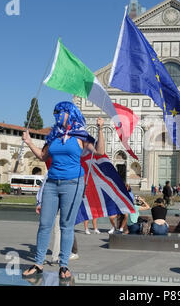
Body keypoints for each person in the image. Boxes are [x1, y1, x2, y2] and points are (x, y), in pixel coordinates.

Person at [22, 101, 105, 280]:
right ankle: (38, 263)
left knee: (66, 226)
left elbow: (99, 152)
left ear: (69, 112)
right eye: (55, 112)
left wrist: (100, 129)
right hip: (52, 183)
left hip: (73, 184)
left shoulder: (81, 135)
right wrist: (29, 142)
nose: (56, 115)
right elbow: (43, 156)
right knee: (45, 224)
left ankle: (64, 265)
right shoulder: (54, 135)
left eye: (59, 111)